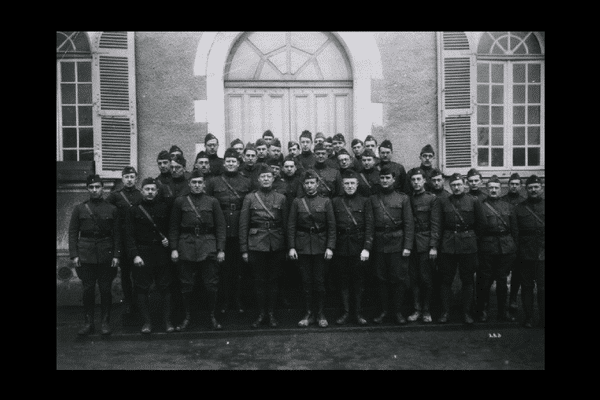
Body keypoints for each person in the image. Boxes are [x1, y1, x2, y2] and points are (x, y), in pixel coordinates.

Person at [169, 170, 226, 331]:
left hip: (208, 246)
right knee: (186, 284)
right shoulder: (180, 202)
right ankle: (187, 317)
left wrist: (221, 249)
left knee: (211, 284)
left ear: (204, 184)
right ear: (189, 184)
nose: (196, 185)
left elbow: (220, 227)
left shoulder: (212, 201)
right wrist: (174, 248)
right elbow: (174, 227)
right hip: (186, 246)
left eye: (199, 182)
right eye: (193, 182)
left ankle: (212, 316)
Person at [69, 174, 121, 336]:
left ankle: (105, 322)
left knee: (106, 289)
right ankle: (88, 323)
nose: (94, 190)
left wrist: (116, 255)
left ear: (102, 189)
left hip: (106, 253)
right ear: (87, 189)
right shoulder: (79, 208)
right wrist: (74, 255)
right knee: (88, 289)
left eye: (97, 187)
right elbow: (73, 233)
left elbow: (117, 234)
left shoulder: (112, 209)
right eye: (91, 187)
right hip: (85, 254)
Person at [239, 164, 288, 328]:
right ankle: (261, 314)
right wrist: (244, 249)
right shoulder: (250, 198)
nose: (266, 179)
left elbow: (286, 224)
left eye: (269, 176)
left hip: (276, 245)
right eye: (263, 177)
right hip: (256, 245)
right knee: (259, 281)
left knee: (274, 281)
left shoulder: (281, 198)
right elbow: (244, 225)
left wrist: (288, 247)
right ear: (258, 179)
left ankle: (272, 314)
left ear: (273, 179)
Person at [204, 148, 252, 315]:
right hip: (221, 227)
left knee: (239, 269)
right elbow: (207, 204)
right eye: (228, 162)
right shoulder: (214, 182)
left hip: (240, 228)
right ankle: (224, 301)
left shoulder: (246, 182)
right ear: (223, 164)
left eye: (234, 162)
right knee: (222, 269)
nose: (231, 164)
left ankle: (238, 300)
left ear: (238, 164)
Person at [288, 170, 336, 328]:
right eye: (307, 183)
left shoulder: (326, 201)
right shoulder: (297, 202)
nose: (309, 186)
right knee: (306, 282)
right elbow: (292, 226)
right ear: (303, 185)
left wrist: (330, 247)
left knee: (320, 282)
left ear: (317, 184)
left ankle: (321, 313)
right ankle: (308, 313)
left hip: (321, 246)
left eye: (312, 183)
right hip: (302, 247)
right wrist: (292, 247)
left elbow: (332, 226)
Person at [125, 177, 174, 334]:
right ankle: (147, 322)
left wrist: (169, 241)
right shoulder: (134, 210)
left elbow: (171, 228)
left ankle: (167, 321)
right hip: (142, 253)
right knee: (141, 288)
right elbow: (129, 236)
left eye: (153, 189)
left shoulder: (164, 208)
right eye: (147, 189)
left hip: (161, 253)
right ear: (142, 191)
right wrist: (135, 255)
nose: (150, 192)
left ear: (157, 191)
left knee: (165, 288)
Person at [437, 173, 486, 324]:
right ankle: (445, 312)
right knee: (446, 279)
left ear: (464, 184)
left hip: (468, 245)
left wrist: (471, 238)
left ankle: (466, 313)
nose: (456, 187)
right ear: (449, 187)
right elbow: (439, 224)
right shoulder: (444, 201)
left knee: (467, 280)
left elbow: (482, 223)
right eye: (453, 185)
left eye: (459, 184)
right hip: (448, 245)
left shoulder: (474, 201)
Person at [370, 164, 415, 324]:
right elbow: (370, 224)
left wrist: (407, 246)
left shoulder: (403, 198)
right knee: (381, 279)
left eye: (387, 178)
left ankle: (397, 312)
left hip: (397, 243)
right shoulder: (373, 199)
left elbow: (409, 224)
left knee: (398, 279)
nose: (384, 181)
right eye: (382, 178)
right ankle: (384, 311)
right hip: (379, 243)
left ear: (394, 180)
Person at [332, 169, 374, 325]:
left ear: (357, 184)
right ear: (342, 185)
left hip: (358, 246)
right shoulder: (335, 201)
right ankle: (345, 312)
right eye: (346, 184)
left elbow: (369, 226)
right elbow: (332, 226)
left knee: (358, 281)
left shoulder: (365, 201)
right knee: (342, 281)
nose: (349, 186)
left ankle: (357, 313)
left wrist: (367, 248)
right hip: (341, 246)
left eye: (352, 183)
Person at [475, 175, 518, 323]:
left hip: (506, 248)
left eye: (496, 188)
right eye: (491, 188)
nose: (493, 190)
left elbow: (515, 230)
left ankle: (502, 312)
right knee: (484, 280)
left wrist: (514, 248)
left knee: (502, 281)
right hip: (487, 246)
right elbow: (478, 229)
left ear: (500, 189)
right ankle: (483, 311)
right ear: (486, 190)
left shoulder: (509, 206)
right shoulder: (480, 205)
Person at [106, 166, 143, 315]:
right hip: (121, 239)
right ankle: (129, 303)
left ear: (136, 178)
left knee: (139, 274)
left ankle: (139, 303)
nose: (129, 180)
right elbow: (107, 213)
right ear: (122, 179)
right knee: (126, 274)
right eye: (126, 177)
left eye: (132, 177)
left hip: (137, 239)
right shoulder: (115, 196)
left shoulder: (141, 195)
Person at [406, 168, 441, 323]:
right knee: (413, 278)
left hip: (425, 243)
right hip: (410, 244)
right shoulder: (407, 199)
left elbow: (435, 224)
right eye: (413, 180)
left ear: (425, 181)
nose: (416, 183)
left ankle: (426, 310)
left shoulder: (432, 199)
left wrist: (433, 246)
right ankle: (416, 309)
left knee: (426, 278)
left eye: (419, 179)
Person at [514, 175, 544, 328]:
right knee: (526, 287)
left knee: (543, 287)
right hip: (525, 253)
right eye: (530, 188)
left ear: (541, 188)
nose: (533, 190)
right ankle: (529, 317)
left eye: (536, 187)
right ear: (526, 190)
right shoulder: (519, 208)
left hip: (543, 253)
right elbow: (515, 232)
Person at [502, 173, 526, 321]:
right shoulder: (503, 200)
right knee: (502, 273)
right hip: (505, 241)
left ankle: (513, 299)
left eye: (517, 184)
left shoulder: (524, 202)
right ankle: (503, 302)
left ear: (521, 186)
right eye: (512, 184)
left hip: (520, 241)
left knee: (517, 273)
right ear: (508, 185)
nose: (514, 186)